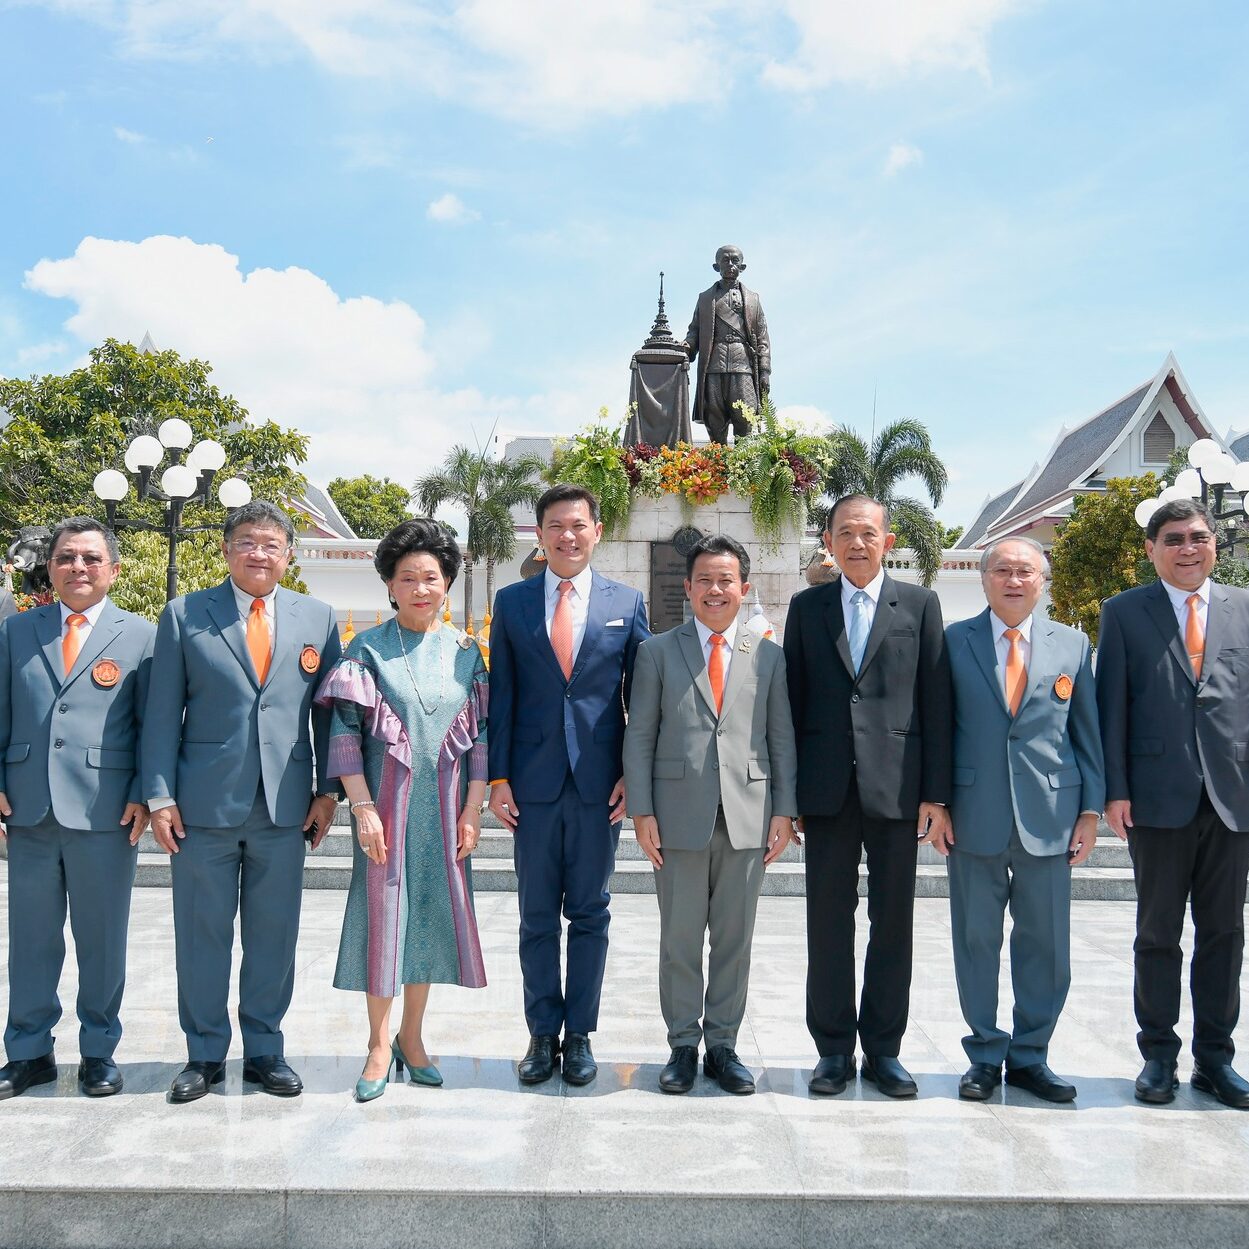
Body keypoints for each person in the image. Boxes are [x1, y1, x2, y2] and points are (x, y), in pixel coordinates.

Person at [143, 500, 343, 1103]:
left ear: (288, 555)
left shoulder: (319, 618)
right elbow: (160, 713)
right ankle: (203, 1053)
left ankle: (265, 1049)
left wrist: (329, 791)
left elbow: (331, 715)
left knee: (274, 934)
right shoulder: (184, 615)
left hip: (285, 806)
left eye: (271, 544)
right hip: (202, 806)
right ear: (227, 550)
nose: (260, 553)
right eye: (248, 542)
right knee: (202, 933)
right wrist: (158, 794)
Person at [783, 495, 952, 1098]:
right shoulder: (807, 609)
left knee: (892, 922)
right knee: (827, 920)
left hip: (898, 788)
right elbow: (793, 705)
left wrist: (936, 793)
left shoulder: (921, 605)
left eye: (868, 533)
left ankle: (884, 1049)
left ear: (888, 538)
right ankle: (832, 1049)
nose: (857, 543)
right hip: (826, 790)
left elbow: (937, 701)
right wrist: (791, 794)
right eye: (845, 533)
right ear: (827, 539)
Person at [314, 519, 488, 1102]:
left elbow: (481, 739)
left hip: (443, 812)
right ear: (389, 585)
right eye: (408, 577)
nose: (421, 588)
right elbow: (342, 736)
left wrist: (471, 810)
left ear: (447, 584)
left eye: (431, 578)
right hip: (385, 809)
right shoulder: (366, 649)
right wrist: (360, 807)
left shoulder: (467, 653)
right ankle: (378, 1043)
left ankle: (413, 1038)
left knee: (429, 920)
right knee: (384, 920)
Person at [487, 483, 649, 1086]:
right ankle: (539, 1033)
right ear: (540, 533)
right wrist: (498, 776)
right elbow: (501, 696)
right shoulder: (514, 602)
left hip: (597, 788)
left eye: (578, 525)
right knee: (535, 914)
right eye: (555, 525)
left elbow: (644, 699)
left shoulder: (625, 603)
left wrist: (634, 773)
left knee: (589, 912)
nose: (567, 535)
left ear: (597, 531)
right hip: (529, 786)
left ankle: (579, 1034)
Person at [623, 534, 797, 1095]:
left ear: (744, 589)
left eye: (726, 581)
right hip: (676, 818)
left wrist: (785, 811)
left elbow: (781, 737)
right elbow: (640, 735)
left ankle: (722, 1043)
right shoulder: (656, 651)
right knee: (678, 938)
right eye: (704, 580)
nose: (715, 590)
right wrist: (642, 812)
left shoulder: (767, 655)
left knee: (734, 938)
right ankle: (681, 1044)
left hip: (748, 816)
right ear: (688, 588)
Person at [936, 538, 1103, 1103]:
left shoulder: (1073, 645)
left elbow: (1087, 732)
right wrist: (934, 802)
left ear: (1042, 580)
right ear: (984, 580)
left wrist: (1090, 809)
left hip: (1051, 815)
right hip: (973, 813)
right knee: (976, 941)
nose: (1012, 580)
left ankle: (1032, 1054)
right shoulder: (952, 642)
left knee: (1047, 944)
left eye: (1024, 571)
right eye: (1001, 570)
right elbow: (938, 728)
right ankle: (984, 1052)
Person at [1097, 497, 1249, 1109]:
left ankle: (1216, 1058)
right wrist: (1115, 788)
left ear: (1215, 545)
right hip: (1156, 800)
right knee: (1157, 934)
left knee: (1224, 933)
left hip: (1233, 798)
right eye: (1175, 539)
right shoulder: (1125, 613)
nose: (1189, 547)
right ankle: (1158, 1054)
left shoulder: (1243, 609)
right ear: (1151, 550)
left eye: (1199, 537)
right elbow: (1112, 709)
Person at [0, 517, 154, 1100]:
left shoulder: (140, 634)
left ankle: (98, 1051)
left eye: (91, 558)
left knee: (102, 937)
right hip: (31, 808)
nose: (78, 568)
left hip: (106, 811)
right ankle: (29, 1051)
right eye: (67, 558)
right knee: (32, 938)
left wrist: (144, 789)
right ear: (51, 567)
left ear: (113, 570)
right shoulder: (16, 631)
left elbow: (152, 723)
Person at [681, 244, 771, 445]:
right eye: (725, 260)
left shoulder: (753, 300)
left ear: (742, 266)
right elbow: (694, 330)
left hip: (743, 364)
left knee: (745, 415)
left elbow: (763, 337)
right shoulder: (705, 299)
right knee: (715, 417)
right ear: (716, 266)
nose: (730, 265)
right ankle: (717, 465)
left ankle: (743, 467)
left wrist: (764, 370)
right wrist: (687, 348)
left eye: (735, 261)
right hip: (714, 362)